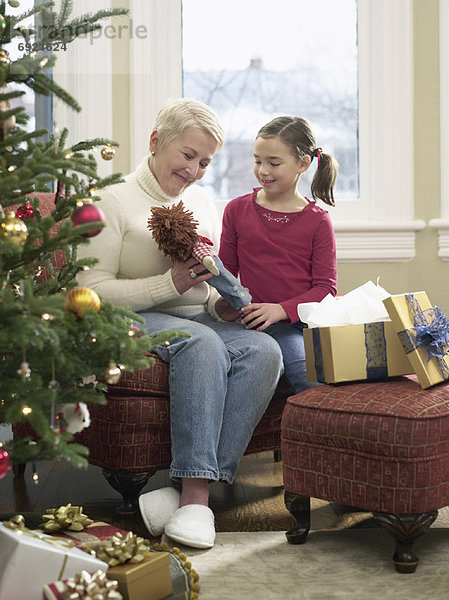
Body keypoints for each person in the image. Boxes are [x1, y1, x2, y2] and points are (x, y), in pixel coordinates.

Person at [76, 98, 284, 549]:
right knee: (201, 344)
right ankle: (194, 494)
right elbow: (90, 292)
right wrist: (167, 283)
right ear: (156, 142)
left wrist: (220, 307)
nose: (194, 171)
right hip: (127, 317)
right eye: (187, 156)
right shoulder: (110, 199)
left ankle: (186, 494)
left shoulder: (201, 200)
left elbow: (204, 287)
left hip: (196, 320)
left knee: (265, 350)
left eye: (205, 162)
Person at [219, 116, 338, 394]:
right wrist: (222, 302)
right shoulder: (236, 210)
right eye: (258, 160)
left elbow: (325, 289)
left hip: (296, 325)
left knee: (309, 377)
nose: (263, 170)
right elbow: (224, 272)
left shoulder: (318, 220)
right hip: (250, 323)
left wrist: (280, 310)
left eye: (274, 163)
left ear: (303, 164)